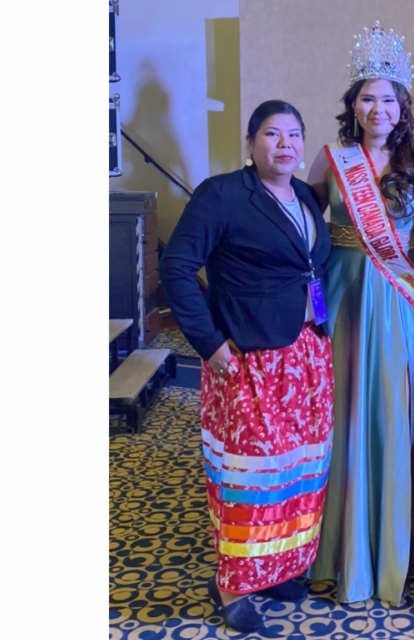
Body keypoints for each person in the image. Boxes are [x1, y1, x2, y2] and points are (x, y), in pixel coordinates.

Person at [160, 100, 334, 633]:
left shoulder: (304, 195)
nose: (285, 144)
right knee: (248, 477)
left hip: (306, 354)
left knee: (296, 473)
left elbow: (308, 267)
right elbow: (176, 268)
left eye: (294, 135)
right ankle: (234, 580)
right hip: (251, 361)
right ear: (251, 142)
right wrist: (210, 344)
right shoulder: (223, 195)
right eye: (272, 134)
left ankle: (275, 565)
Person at [306, 21, 414, 605]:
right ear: (353, 105)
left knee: (389, 419)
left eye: (388, 98)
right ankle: (334, 552)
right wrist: (312, 310)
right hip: (340, 301)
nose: (377, 107)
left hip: (397, 303)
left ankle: (387, 554)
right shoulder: (330, 159)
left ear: (402, 106)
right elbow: (305, 242)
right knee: (339, 421)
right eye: (367, 96)